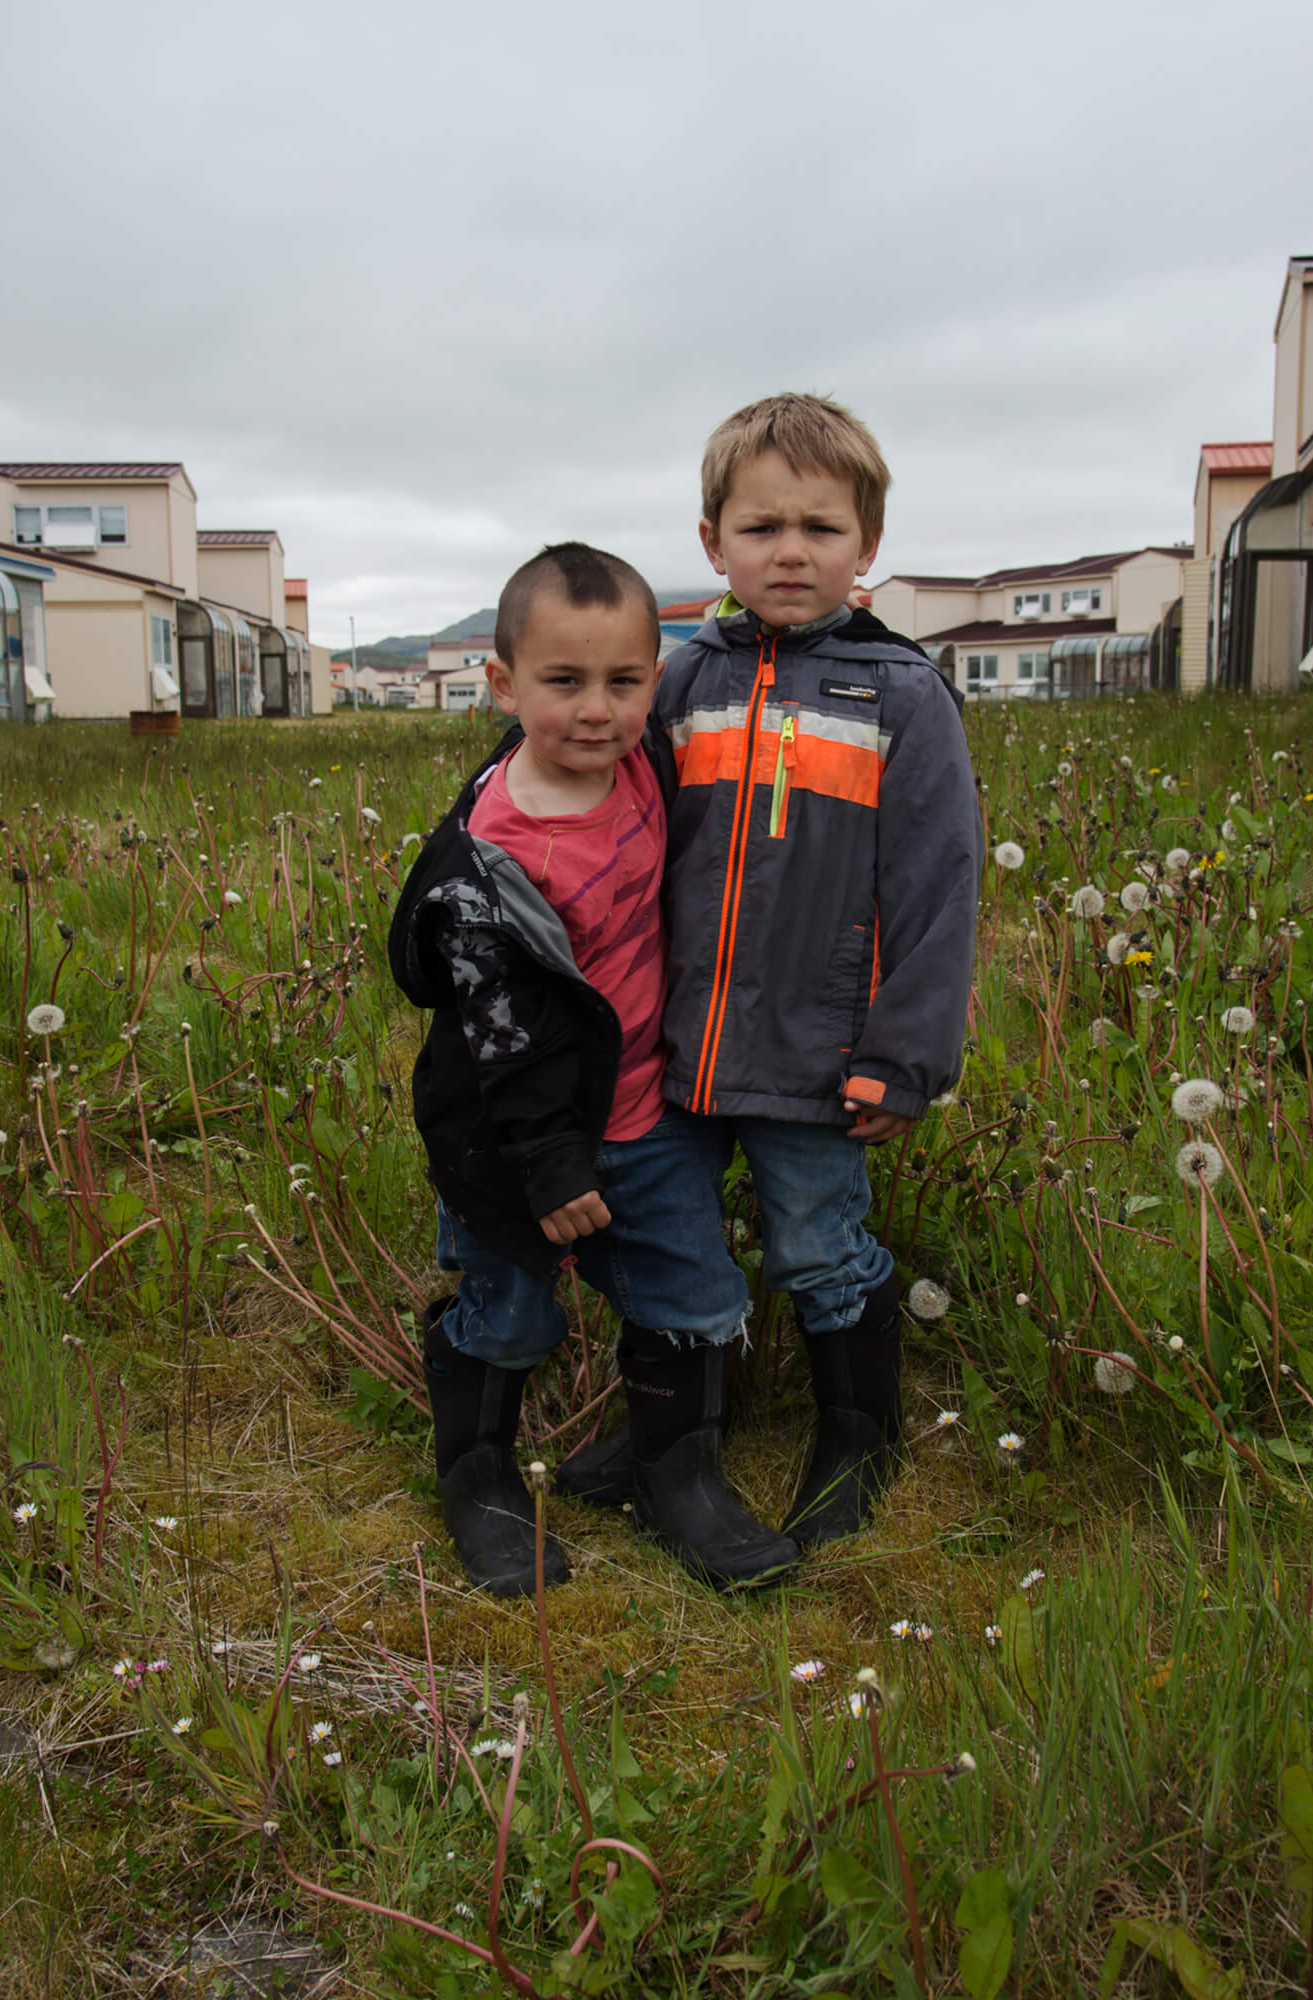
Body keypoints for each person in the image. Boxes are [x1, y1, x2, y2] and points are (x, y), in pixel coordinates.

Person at [558, 395, 982, 1546]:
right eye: (760, 528)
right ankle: (680, 1424)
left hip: (821, 1046)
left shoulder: (902, 696)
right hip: (673, 1041)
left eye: (820, 527)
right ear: (712, 545)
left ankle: (858, 1434)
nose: (790, 551)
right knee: (671, 1236)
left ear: (868, 546)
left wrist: (904, 1057)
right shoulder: (679, 685)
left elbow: (941, 893)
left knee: (816, 1243)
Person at [387, 542, 798, 1598]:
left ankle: (673, 1476)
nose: (596, 709)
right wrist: (550, 1163)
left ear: (654, 683)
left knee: (695, 1296)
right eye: (562, 682)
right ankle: (477, 1474)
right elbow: (502, 1039)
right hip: (519, 1137)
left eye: (623, 681)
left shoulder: (646, 763)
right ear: (502, 683)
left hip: (644, 1115)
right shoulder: (490, 860)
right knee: (513, 1310)